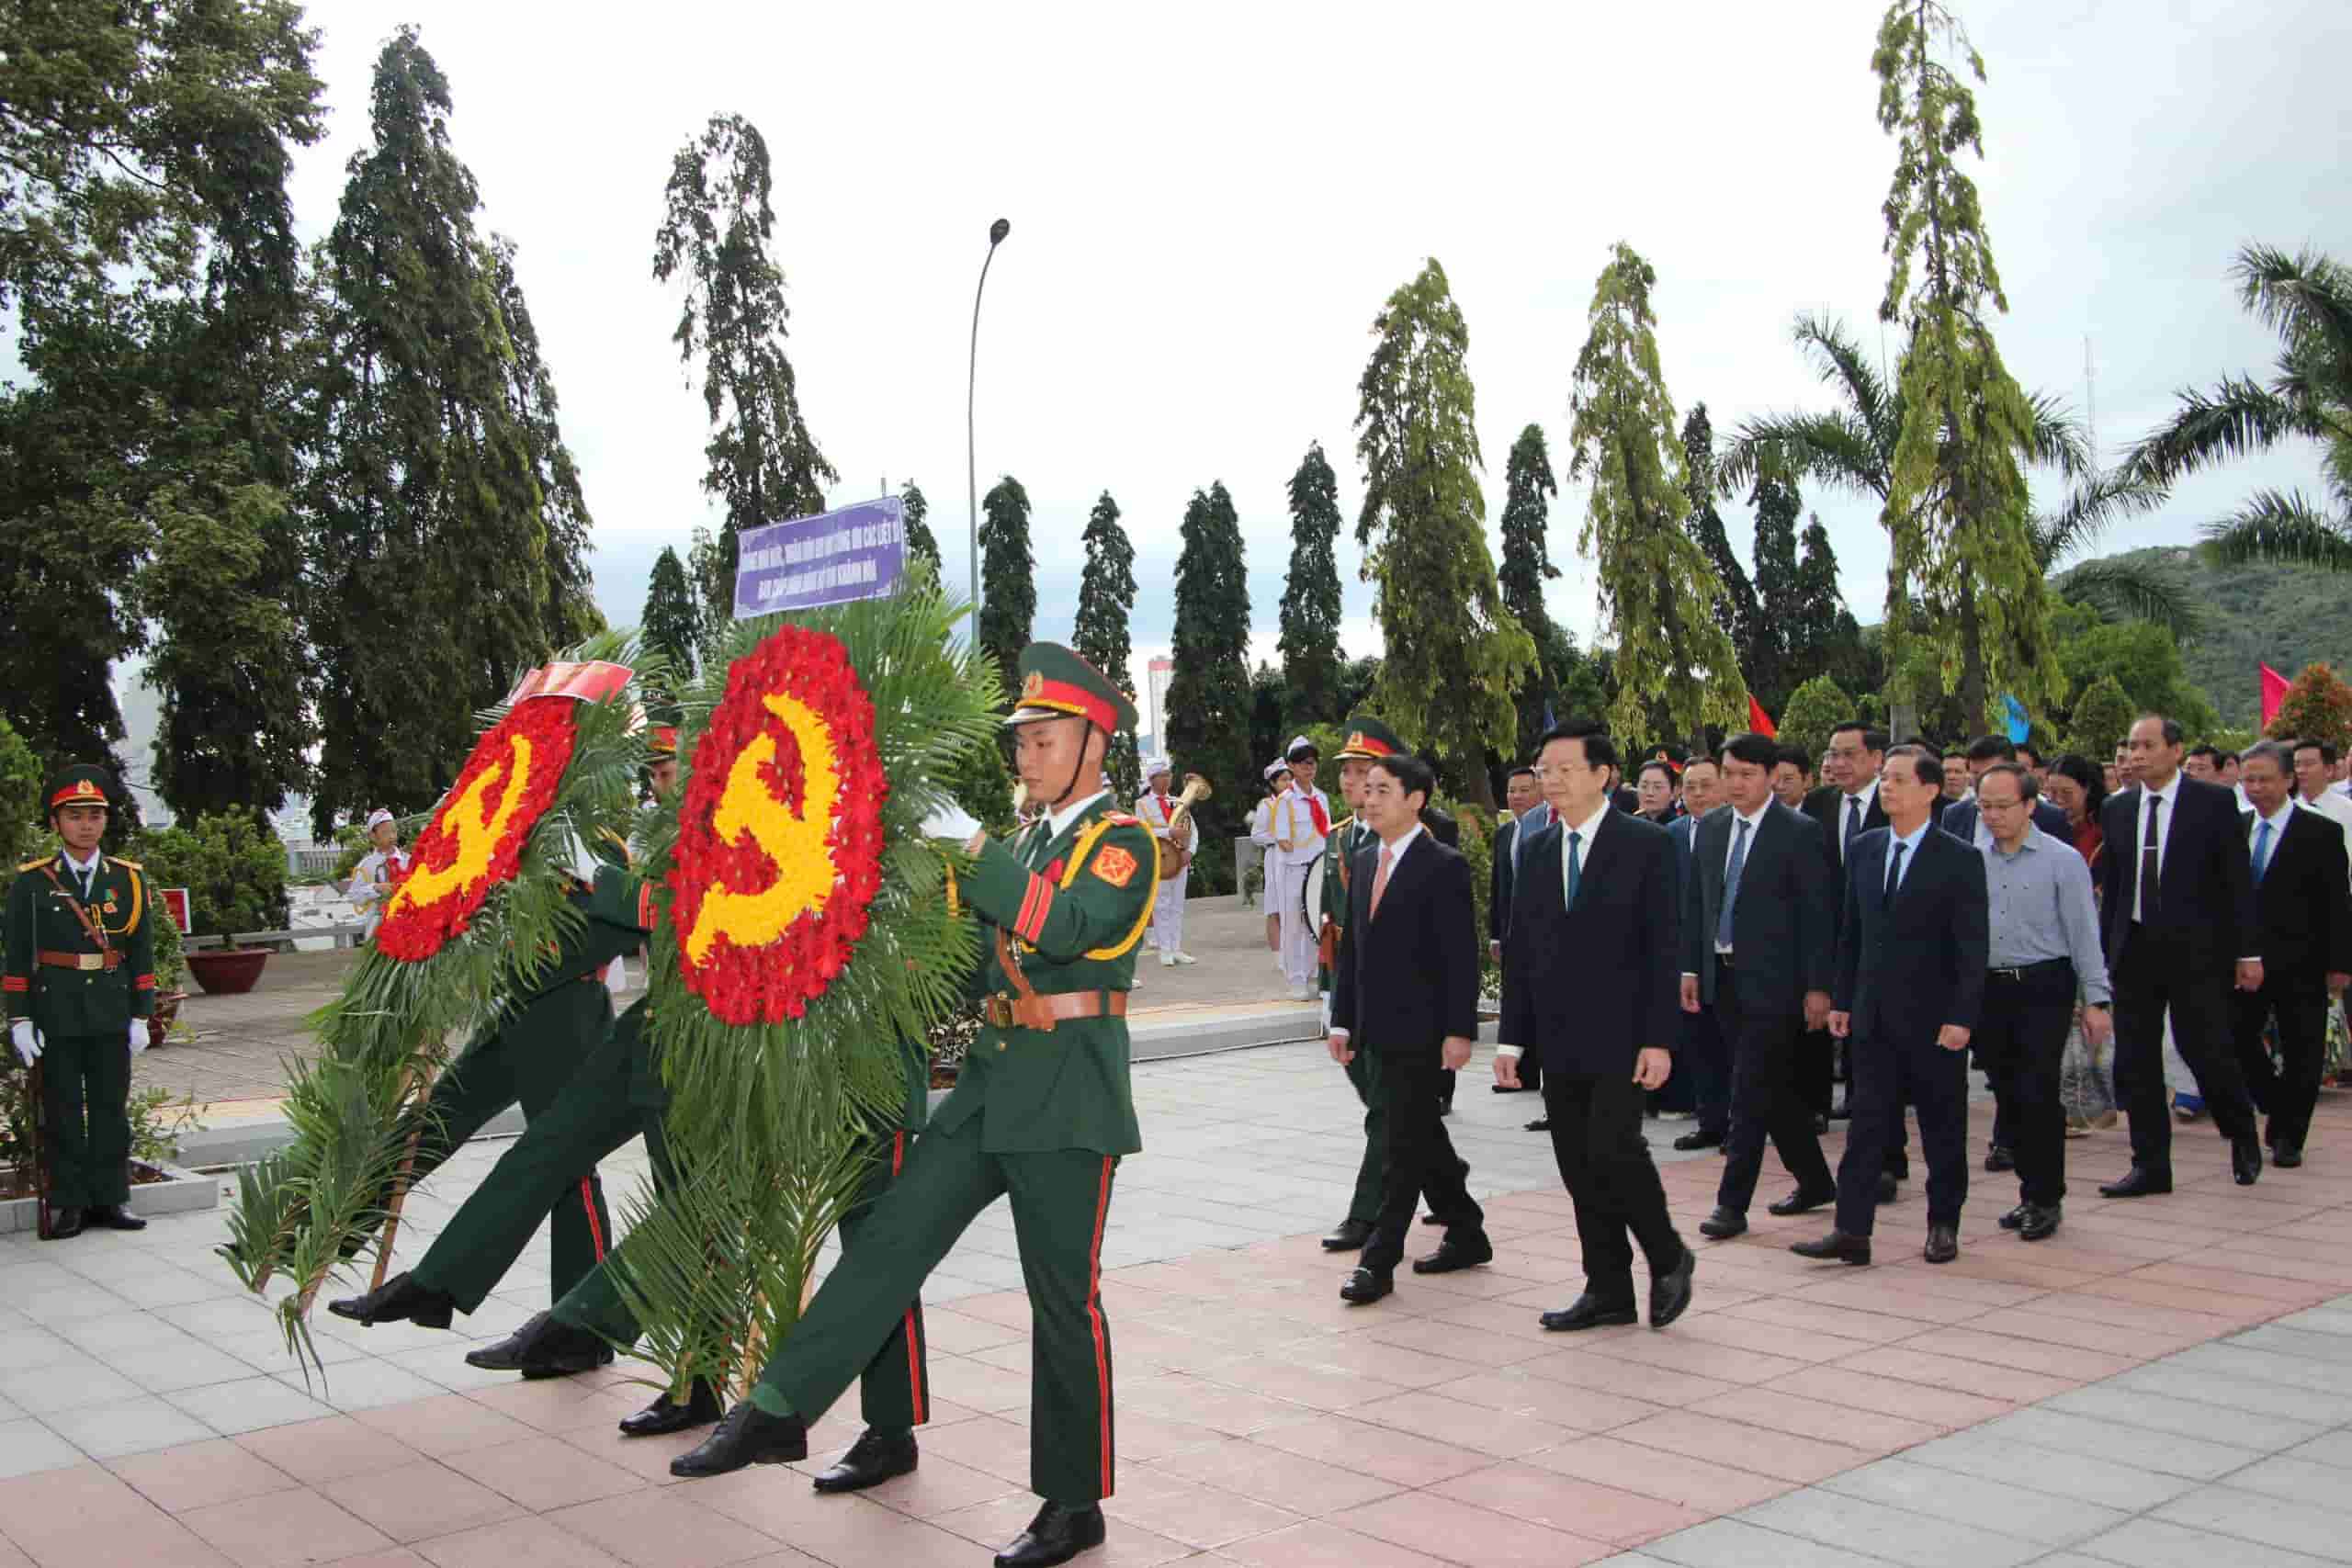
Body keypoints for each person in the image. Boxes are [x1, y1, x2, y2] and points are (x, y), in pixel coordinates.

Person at [671, 644, 1156, 1568]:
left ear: (1096, 745)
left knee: (1061, 1304)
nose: (1027, 755)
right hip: (988, 1083)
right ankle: (778, 1410)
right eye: (1020, 741)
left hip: (1067, 1099)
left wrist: (971, 850)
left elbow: (1069, 930)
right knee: (890, 1241)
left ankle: (1072, 1502)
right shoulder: (1022, 843)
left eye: (1045, 739)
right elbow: (968, 963)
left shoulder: (1122, 842)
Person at [1496, 722, 1695, 1331]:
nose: (1548, 780)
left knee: (1614, 1148)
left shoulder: (1647, 844)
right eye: (1543, 769)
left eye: (1563, 769)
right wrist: (1511, 1039)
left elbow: (1667, 948)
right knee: (1577, 1161)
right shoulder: (1532, 848)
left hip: (1626, 1031)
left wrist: (1660, 1038)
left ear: (1604, 774)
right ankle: (1607, 1285)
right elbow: (1523, 953)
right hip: (1559, 1036)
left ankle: (1667, 1254)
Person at [1795, 746, 1987, 1266]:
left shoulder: (1960, 857)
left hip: (1934, 1020)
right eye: (1885, 779)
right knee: (1866, 1128)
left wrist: (1961, 1017)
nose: (1888, 787)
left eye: (1899, 779)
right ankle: (1851, 1231)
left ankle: (1943, 1223)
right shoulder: (1865, 847)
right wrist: (1842, 997)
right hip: (1872, 1016)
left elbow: (1972, 948)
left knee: (1942, 1127)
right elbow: (1851, 933)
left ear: (1930, 790)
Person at [1329, 750, 1487, 1305]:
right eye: (1365, 789)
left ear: (1415, 800)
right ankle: (1466, 1228)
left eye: (1380, 790)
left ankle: (1379, 1261)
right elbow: (1352, 952)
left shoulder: (1443, 865)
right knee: (1420, 1134)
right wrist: (1341, 1018)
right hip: (1373, 1027)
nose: (1368, 799)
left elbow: (1459, 958)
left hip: (1422, 1031)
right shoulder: (1365, 859)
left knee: (1399, 1143)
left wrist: (1459, 1030)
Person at [2098, 714, 2266, 1200]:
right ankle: (2150, 1166)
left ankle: (2240, 1131)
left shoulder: (2212, 804)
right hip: (2134, 950)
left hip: (2197, 951)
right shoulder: (2118, 808)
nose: (2137, 755)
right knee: (2137, 1060)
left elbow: (2236, 884)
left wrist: (2247, 952)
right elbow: (2115, 887)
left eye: (2148, 745)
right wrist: (2107, 952)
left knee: (2206, 1050)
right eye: (2132, 746)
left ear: (2176, 750)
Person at [1686, 733, 1838, 1241]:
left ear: (1772, 777)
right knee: (1771, 1090)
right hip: (1721, 976)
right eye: (1729, 773)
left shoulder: (1801, 832)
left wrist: (1820, 987)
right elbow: (1698, 906)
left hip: (1777, 983)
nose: (1735, 783)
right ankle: (1816, 1181)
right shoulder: (1709, 829)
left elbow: (1820, 917)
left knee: (1748, 1091)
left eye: (1746, 775)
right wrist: (1690, 969)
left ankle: (1731, 1204)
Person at [1319, 716, 1455, 1249]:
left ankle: (1367, 1215)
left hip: (1407, 1007)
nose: (1353, 784)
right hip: (1352, 988)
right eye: (1349, 774)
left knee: (1387, 1109)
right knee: (1401, 1111)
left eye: (1364, 773)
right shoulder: (1344, 837)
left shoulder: (1429, 834)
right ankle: (1452, 1195)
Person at [6, 766, 155, 1240]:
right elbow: (16, 955)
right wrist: (21, 1019)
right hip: (59, 1011)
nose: (85, 824)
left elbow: (141, 952)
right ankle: (70, 1203)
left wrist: (140, 1014)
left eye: (94, 815)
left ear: (105, 822)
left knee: (112, 1109)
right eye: (75, 816)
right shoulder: (31, 885)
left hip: (111, 1010)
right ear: (56, 823)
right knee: (64, 1110)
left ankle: (111, 1198)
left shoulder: (127, 880)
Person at [1966, 764, 2112, 1241]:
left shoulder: (2062, 861)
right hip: (1989, 989)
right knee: (2008, 1095)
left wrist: (2097, 1000)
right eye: (1984, 806)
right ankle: (2031, 1191)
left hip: (2044, 986)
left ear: (2031, 805)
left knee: (2036, 1091)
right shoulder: (1971, 859)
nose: (1993, 816)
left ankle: (2046, 1197)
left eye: (2003, 806)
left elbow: (2084, 934)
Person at [2233, 741, 2352, 1168]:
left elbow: (2338, 903)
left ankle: (2290, 1137)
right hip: (2245, 961)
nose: (2257, 788)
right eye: (2249, 779)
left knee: (2303, 1050)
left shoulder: (2320, 832)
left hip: (2304, 961)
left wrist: (2340, 963)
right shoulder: (2235, 828)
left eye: (2265, 779)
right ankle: (2275, 1102)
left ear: (2288, 780)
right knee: (2238, 1037)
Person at [2045, 754, 2119, 1134]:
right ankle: (2069, 1107)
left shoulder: (2106, 828)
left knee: (2089, 1025)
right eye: (2050, 791)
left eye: (2065, 792)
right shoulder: (2043, 826)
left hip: (2095, 932)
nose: (2056, 799)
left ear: (2087, 790)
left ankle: (2095, 1105)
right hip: (2053, 936)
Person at [1488, 764, 1548, 1099]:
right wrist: (1496, 934)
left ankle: (1542, 1073)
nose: (1516, 797)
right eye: (1511, 791)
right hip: (1512, 933)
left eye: (1524, 790)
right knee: (1515, 1000)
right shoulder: (1505, 833)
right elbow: (1499, 888)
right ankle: (1520, 1074)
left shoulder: (1545, 832)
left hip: (1541, 934)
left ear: (1539, 792)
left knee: (1539, 1002)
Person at [1272, 738, 1332, 1002]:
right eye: (1303, 763)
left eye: (1313, 762)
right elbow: (1283, 841)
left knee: (1314, 923)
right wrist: (1303, 848)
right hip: (1295, 868)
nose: (1310, 767)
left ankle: (1310, 975)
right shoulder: (1285, 801)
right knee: (1293, 924)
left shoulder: (1322, 797)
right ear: (1292, 767)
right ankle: (1295, 978)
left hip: (1318, 866)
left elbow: (1328, 831)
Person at [1939, 737, 2071, 844]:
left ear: (2014, 768)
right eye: (1976, 773)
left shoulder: (2051, 818)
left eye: (1992, 773)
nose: (1984, 781)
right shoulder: (1954, 815)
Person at [1135, 759, 1196, 968]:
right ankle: (1165, 950)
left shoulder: (1179, 801)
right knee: (1161, 906)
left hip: (1180, 859)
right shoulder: (1141, 804)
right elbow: (1142, 832)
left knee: (1177, 906)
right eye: (1162, 775)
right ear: (1152, 779)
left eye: (1168, 775)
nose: (1167, 779)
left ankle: (1176, 948)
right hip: (1160, 860)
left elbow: (1192, 830)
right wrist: (1169, 832)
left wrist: (1190, 851)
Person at [345, 808, 413, 940]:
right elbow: (353, 896)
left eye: (393, 831)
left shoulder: (409, 860)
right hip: (377, 929)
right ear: (373, 836)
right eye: (385, 832)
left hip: (408, 926)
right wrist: (375, 888)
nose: (392, 836)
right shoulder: (366, 866)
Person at [2291, 739, 2352, 865]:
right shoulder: (2288, 809)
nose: (2300, 770)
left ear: (2329, 769)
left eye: (2308, 764)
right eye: (2296, 765)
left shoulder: (2348, 810)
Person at [1250, 761, 1290, 953]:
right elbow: (1256, 835)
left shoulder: (1295, 802)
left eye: (1290, 779)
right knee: (1274, 906)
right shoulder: (1267, 805)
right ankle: (1277, 954)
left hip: (1294, 857)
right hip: (1275, 857)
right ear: (1273, 783)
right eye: (1283, 779)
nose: (1288, 783)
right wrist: (1279, 838)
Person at [1634, 758, 1679, 824]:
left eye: (1658, 787)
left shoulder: (1681, 829)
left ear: (1672, 792)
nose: (1650, 793)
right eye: (1644, 786)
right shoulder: (1631, 824)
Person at [1771, 747, 1812, 812]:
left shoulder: (1822, 815)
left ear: (1806, 780)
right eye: (1775, 778)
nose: (1780, 787)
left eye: (1788, 779)